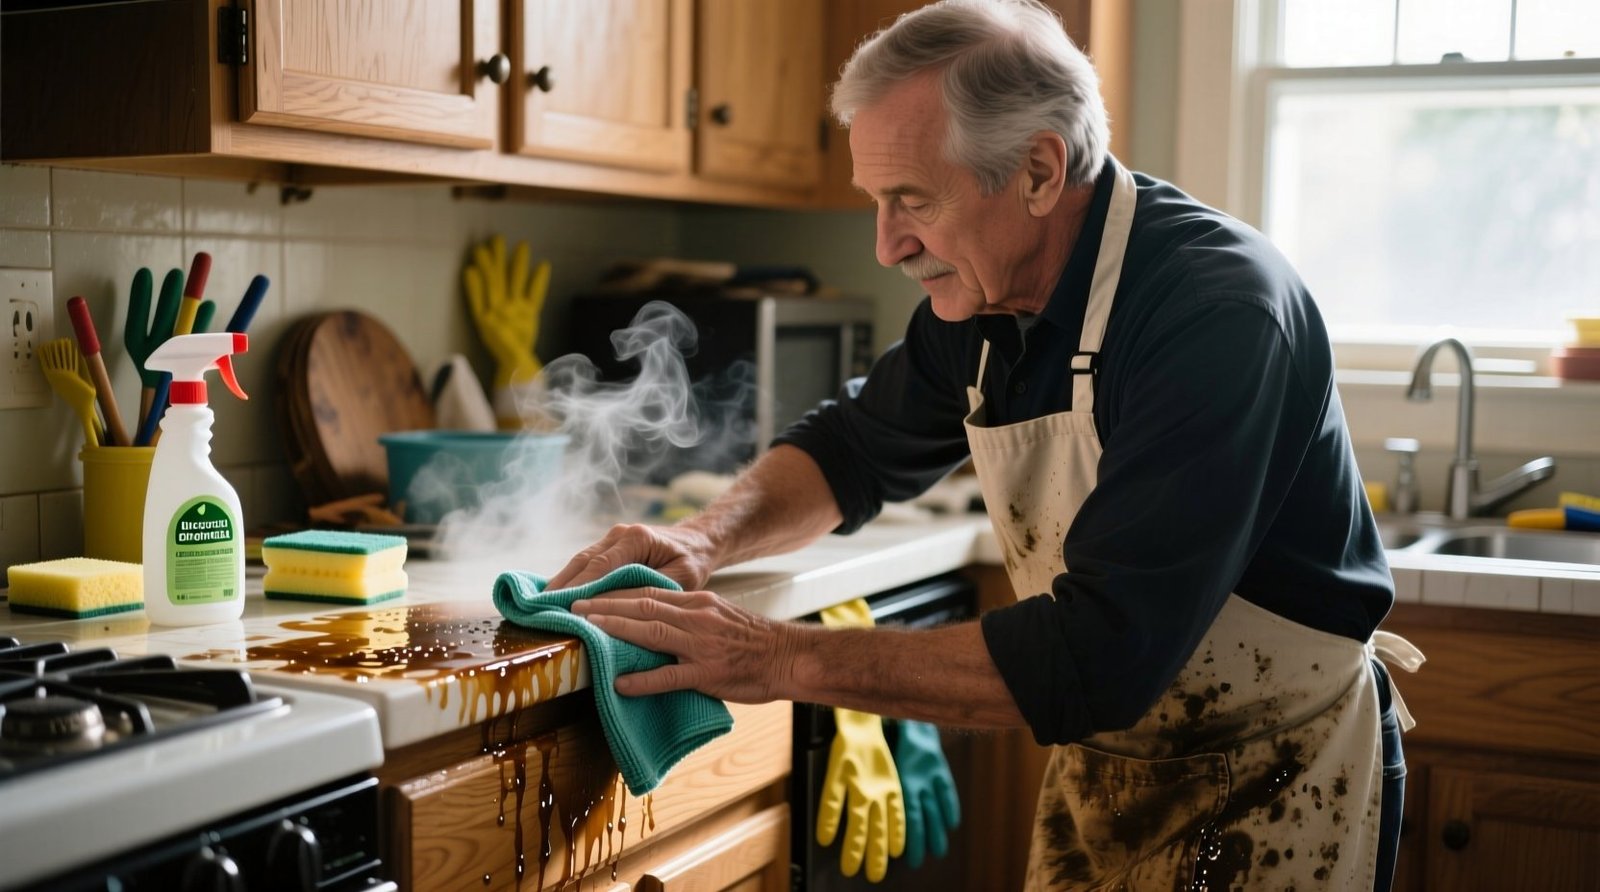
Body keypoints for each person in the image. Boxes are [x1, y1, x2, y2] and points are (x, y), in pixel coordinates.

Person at [553, 0, 1421, 887]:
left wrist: (778, 655)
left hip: (1276, 781)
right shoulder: (982, 296)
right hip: (1104, 771)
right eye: (877, 202)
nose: (888, 245)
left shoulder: (1217, 316)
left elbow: (1100, 656)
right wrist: (702, 538)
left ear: (1039, 172)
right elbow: (855, 446)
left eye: (913, 200)